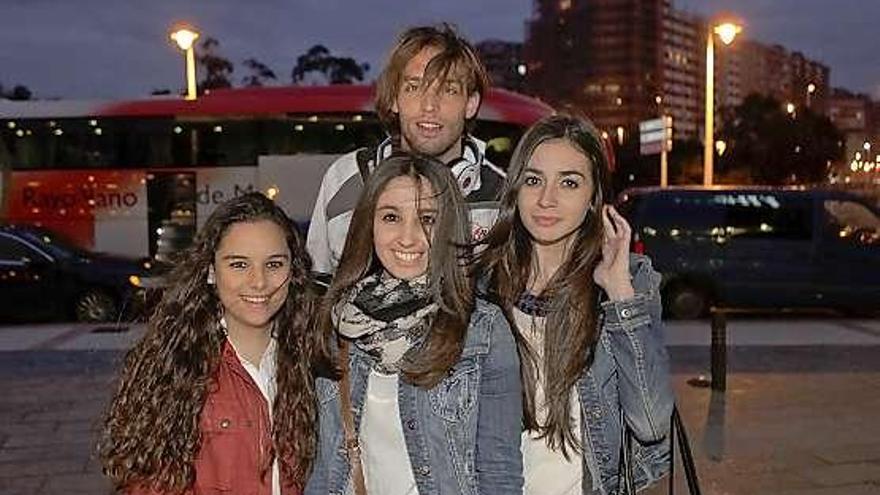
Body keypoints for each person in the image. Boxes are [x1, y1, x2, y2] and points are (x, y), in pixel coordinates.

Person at [474, 115, 674, 495]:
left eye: (569, 182)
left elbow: (650, 423)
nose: (547, 199)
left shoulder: (630, 281)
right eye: (534, 180)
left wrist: (617, 292)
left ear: (593, 197)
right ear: (515, 188)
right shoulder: (481, 285)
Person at [305, 154, 522, 495]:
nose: (408, 237)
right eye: (391, 217)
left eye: (427, 219)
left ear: (449, 226)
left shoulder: (484, 329)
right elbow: (322, 469)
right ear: (369, 224)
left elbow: (499, 471)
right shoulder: (338, 323)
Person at [100, 193, 329, 495]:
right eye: (238, 264)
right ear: (211, 270)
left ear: (293, 271)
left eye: (274, 264)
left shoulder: (316, 359)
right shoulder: (177, 364)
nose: (258, 281)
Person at [307, 23, 503, 275]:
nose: (429, 105)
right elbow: (315, 288)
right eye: (414, 87)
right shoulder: (346, 178)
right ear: (393, 98)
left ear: (471, 103)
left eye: (448, 89)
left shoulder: (502, 196)